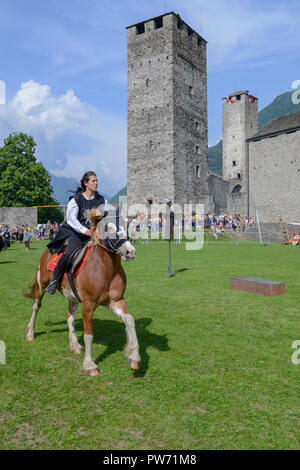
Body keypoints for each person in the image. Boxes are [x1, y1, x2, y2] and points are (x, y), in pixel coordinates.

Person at [46, 171, 108, 295]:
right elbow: (71, 219)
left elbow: (107, 216)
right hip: (78, 234)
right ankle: (54, 281)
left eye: (97, 180)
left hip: (96, 235)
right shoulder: (76, 200)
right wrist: (85, 230)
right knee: (69, 254)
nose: (96, 183)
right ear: (86, 183)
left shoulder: (102, 199)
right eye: (93, 181)